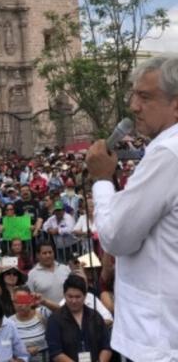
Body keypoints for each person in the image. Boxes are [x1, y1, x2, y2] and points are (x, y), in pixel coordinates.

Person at [86, 56, 178, 361]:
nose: (134, 106)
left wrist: (101, 180)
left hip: (158, 339)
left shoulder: (167, 154)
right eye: (134, 95)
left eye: (145, 96)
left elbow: (115, 237)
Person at [45, 275, 111, 362]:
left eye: (77, 297)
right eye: (70, 296)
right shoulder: (54, 319)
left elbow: (106, 346)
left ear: (85, 296)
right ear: (64, 295)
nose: (74, 301)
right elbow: (55, 353)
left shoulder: (95, 316)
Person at [8, 287, 48, 362]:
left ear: (30, 300)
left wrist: (44, 301)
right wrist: (24, 352)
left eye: (23, 300)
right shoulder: (9, 322)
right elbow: (5, 347)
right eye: (16, 301)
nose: (20, 305)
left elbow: (61, 312)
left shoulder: (42, 313)